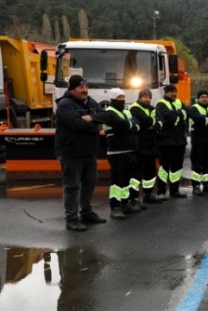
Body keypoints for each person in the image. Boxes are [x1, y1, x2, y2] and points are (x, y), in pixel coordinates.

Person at [55, 75, 107, 231]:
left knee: (90, 181)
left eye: (86, 87)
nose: (84, 90)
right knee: (72, 186)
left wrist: (90, 118)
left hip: (89, 151)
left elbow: (105, 116)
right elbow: (76, 123)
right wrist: (95, 125)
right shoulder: (65, 104)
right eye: (80, 87)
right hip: (71, 152)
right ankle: (71, 218)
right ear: (71, 89)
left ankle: (86, 212)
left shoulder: (90, 102)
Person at [93, 88, 141, 219]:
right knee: (117, 181)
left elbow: (136, 124)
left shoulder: (126, 111)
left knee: (126, 180)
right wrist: (129, 126)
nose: (121, 99)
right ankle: (115, 207)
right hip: (116, 152)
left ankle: (125, 203)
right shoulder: (109, 113)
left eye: (122, 97)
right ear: (112, 99)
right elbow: (121, 124)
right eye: (118, 97)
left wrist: (129, 126)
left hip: (130, 150)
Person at [129, 89, 162, 205]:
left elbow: (160, 122)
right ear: (139, 97)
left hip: (151, 146)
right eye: (145, 97)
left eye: (149, 97)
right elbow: (146, 121)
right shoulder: (134, 108)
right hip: (139, 146)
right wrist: (153, 123)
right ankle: (133, 198)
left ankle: (148, 195)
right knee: (136, 173)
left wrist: (154, 124)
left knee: (150, 172)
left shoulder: (152, 109)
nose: (147, 99)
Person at [155, 84, 188, 199]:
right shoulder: (160, 104)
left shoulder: (179, 102)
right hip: (166, 141)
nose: (174, 94)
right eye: (171, 92)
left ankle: (175, 190)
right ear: (166, 93)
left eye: (175, 92)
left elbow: (186, 114)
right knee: (164, 167)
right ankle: (161, 191)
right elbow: (168, 118)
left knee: (177, 168)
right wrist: (179, 117)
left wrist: (177, 117)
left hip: (179, 141)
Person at [187, 90, 208, 196]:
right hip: (198, 141)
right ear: (198, 98)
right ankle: (196, 186)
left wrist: (207, 121)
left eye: (206, 96)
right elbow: (198, 120)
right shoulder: (193, 108)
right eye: (202, 97)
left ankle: (207, 185)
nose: (205, 98)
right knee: (197, 164)